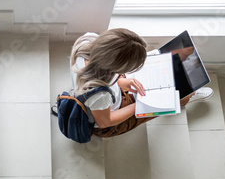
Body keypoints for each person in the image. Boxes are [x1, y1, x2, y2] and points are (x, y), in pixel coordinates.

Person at [70, 29, 212, 138]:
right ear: (114, 67)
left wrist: (120, 81)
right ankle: (185, 97)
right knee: (175, 99)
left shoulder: (87, 40)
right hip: (111, 113)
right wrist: (140, 106)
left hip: (112, 91)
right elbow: (105, 122)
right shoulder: (99, 94)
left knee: (163, 64)